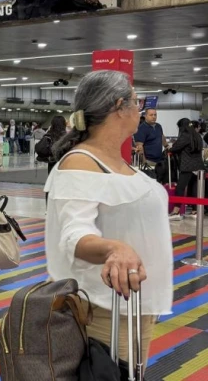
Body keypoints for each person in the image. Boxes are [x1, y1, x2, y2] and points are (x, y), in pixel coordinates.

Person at [46, 70, 172, 369]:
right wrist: (113, 249)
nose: (139, 108)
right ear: (119, 106)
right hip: (105, 310)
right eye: (135, 100)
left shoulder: (115, 161)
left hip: (134, 307)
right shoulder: (80, 162)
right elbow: (74, 234)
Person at [168, 118, 204, 220]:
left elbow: (176, 147)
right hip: (198, 166)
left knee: (180, 188)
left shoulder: (185, 135)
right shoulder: (197, 135)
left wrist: (170, 149)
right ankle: (194, 211)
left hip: (187, 166)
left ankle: (176, 212)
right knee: (194, 188)